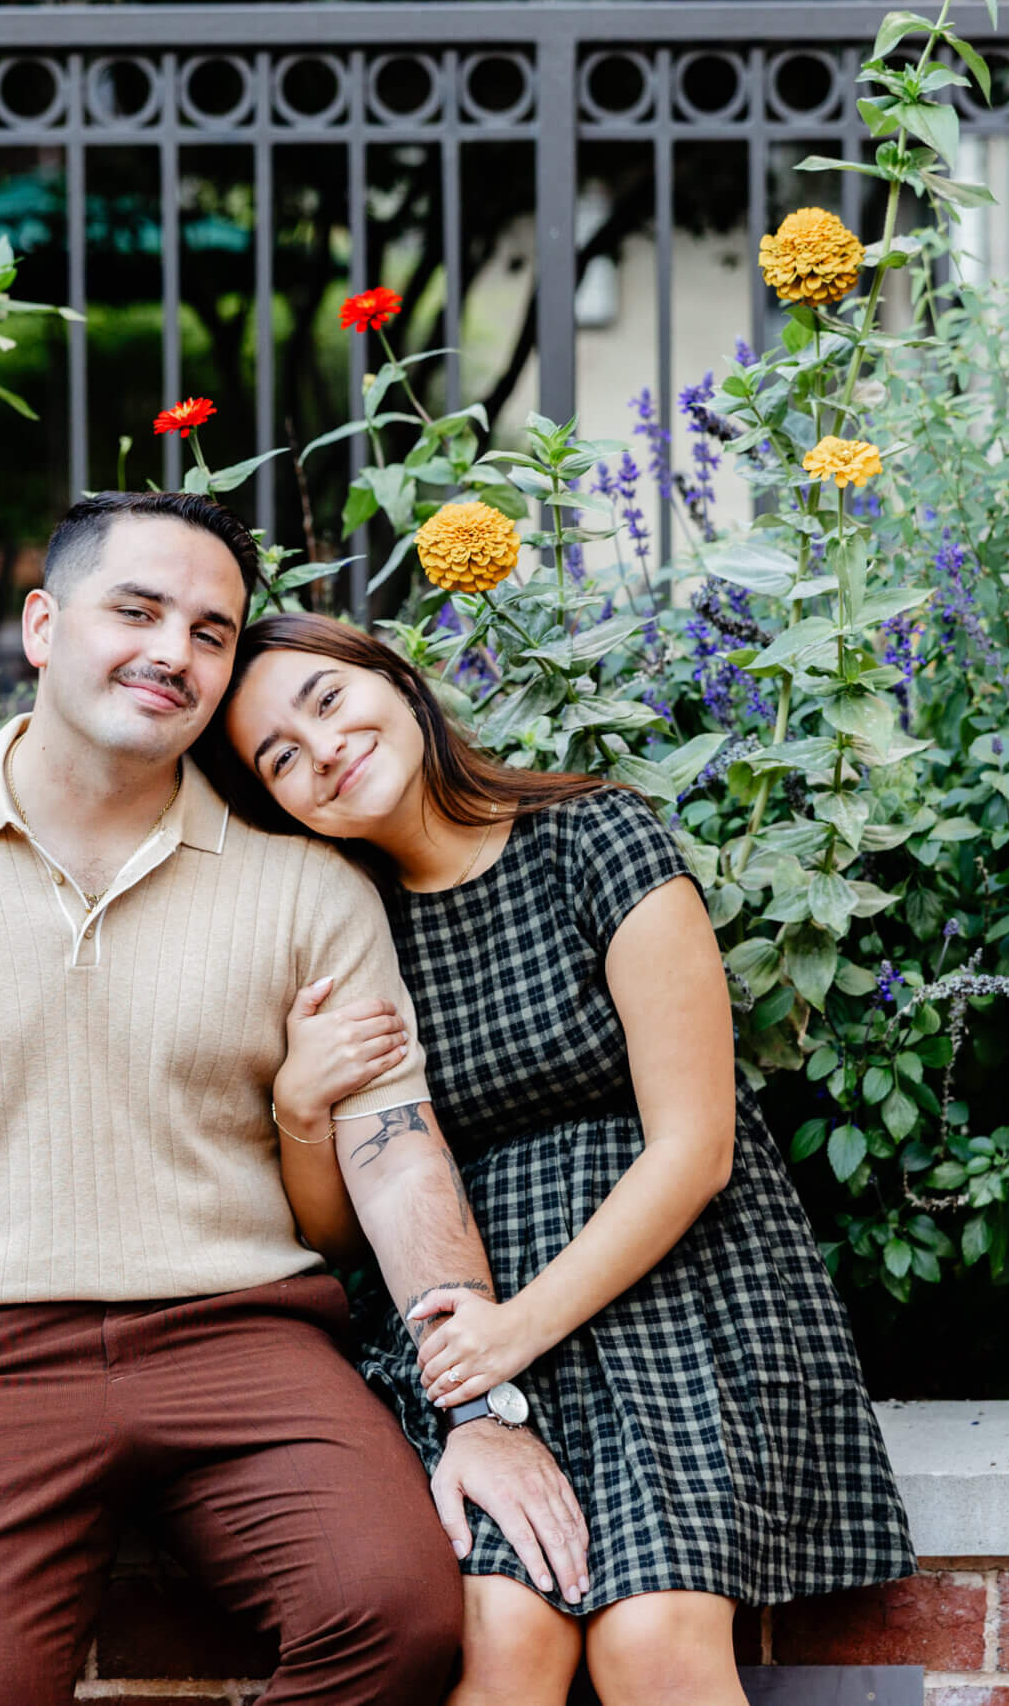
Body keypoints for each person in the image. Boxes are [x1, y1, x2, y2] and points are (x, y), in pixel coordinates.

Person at [0, 493, 587, 1706]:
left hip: (241, 1337)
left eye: (211, 632)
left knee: (397, 1616)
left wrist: (478, 1405)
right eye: (138, 610)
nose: (174, 651)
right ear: (42, 627)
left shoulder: (304, 885)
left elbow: (392, 1145)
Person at [198, 611, 918, 1706]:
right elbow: (341, 1235)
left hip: (671, 1284)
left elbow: (696, 1147)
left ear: (396, 679)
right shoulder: (345, 926)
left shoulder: (595, 838)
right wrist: (300, 1104)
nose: (324, 749)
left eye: (329, 700)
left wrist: (517, 1330)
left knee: (653, 1643)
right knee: (505, 1638)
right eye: (280, 758)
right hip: (465, 1314)